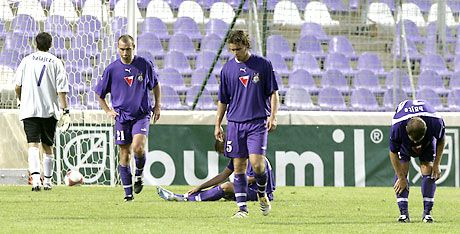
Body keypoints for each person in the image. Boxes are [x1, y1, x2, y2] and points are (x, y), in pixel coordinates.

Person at [214, 30, 279, 218]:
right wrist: (218, 124)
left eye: (239, 49)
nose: (236, 53)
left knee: (258, 165)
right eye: (233, 49)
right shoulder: (227, 70)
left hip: (257, 122)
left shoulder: (263, 65)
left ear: (247, 46)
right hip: (234, 123)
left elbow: (273, 93)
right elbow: (223, 100)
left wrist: (273, 117)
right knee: (239, 166)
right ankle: (242, 209)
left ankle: (261, 193)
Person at [94, 35, 161, 202]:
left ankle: (138, 175)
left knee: (138, 147)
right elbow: (99, 94)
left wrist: (158, 105)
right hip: (122, 117)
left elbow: (155, 85)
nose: (124, 53)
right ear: (118, 48)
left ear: (134, 47)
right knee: (124, 154)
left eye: (128, 49)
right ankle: (128, 195)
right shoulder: (111, 69)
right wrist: (108, 111)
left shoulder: (144, 65)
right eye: (122, 49)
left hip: (141, 115)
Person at [14, 32, 70, 191]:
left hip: (29, 109)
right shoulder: (56, 62)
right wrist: (65, 110)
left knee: (32, 144)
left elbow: (17, 85)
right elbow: (62, 90)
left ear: (35, 44)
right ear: (50, 45)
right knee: (47, 146)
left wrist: (20, 99)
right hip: (48, 110)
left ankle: (36, 180)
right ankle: (48, 181)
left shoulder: (26, 60)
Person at [389, 99, 446, 223]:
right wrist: (401, 178)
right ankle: (403, 214)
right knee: (402, 171)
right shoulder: (398, 126)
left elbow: (441, 140)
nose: (417, 146)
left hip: (428, 140)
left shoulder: (435, 121)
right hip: (405, 142)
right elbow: (393, 152)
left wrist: (437, 164)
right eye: (414, 142)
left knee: (429, 170)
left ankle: (427, 213)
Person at [157, 158, 275, 202]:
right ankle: (186, 196)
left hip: (262, 194)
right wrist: (200, 186)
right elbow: (222, 175)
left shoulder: (257, 159)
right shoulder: (239, 157)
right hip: (248, 191)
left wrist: (233, 182)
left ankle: (185, 198)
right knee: (219, 187)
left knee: (227, 186)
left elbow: (252, 179)